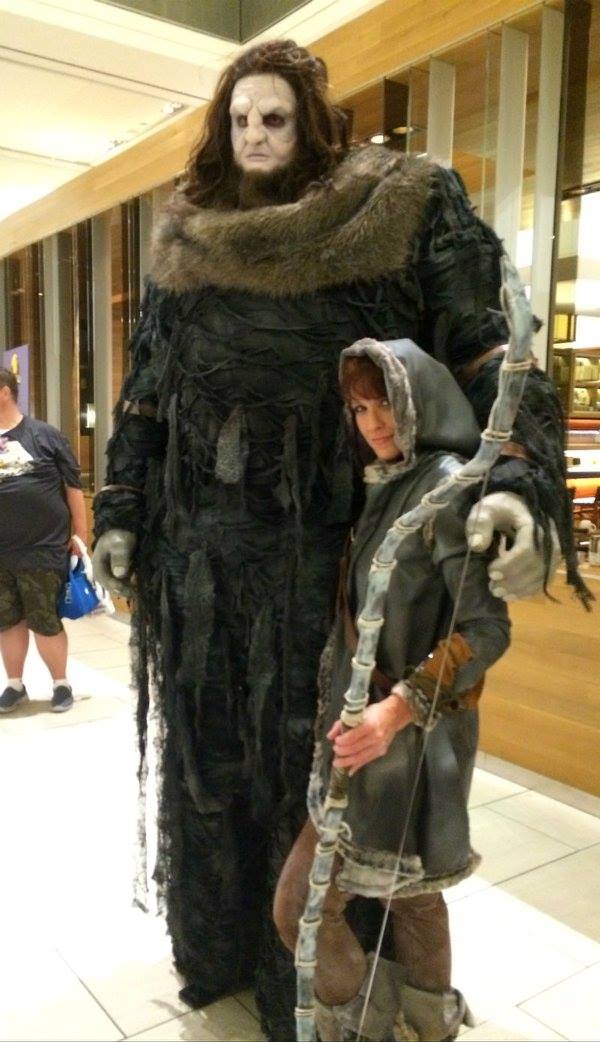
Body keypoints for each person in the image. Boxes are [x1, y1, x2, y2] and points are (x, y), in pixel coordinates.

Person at [91, 40, 586, 1039]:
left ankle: (334, 993)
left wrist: (518, 482)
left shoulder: (397, 203)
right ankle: (226, 949)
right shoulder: (188, 233)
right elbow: (147, 392)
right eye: (240, 119)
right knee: (214, 759)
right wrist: (121, 509)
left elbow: (488, 350)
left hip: (334, 557)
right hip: (201, 561)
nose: (255, 135)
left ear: (311, 122)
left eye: (274, 117)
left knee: (324, 765)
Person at [274, 338, 511, 1041]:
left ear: (419, 402)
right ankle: (425, 1025)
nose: (373, 423)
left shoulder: (447, 487)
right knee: (412, 899)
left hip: (408, 743)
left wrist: (395, 710)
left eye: (385, 404)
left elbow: (486, 630)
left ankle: (368, 1028)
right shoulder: (392, 483)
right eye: (360, 408)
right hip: (372, 739)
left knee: (302, 907)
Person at [0, 368, 86, 714]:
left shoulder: (44, 435)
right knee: (7, 620)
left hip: (42, 548)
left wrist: (80, 535)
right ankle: (14, 685)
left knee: (45, 619)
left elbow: (73, 487)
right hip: (1, 553)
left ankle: (61, 684)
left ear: (4, 392)